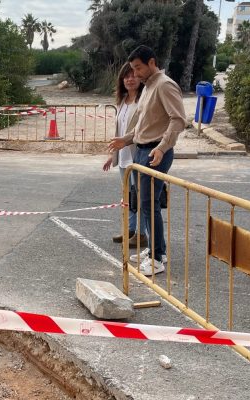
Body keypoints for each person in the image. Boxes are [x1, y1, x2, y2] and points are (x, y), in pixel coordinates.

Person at [108, 45, 186, 276]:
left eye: (138, 68)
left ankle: (157, 257)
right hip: (141, 150)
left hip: (155, 152)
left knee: (150, 204)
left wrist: (162, 147)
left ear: (152, 62)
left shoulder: (165, 85)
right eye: (133, 69)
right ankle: (153, 248)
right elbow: (143, 125)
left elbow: (178, 120)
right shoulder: (149, 87)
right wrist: (126, 139)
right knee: (142, 203)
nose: (136, 74)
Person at [102, 62, 146, 246]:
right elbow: (120, 131)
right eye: (126, 76)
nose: (130, 79)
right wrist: (113, 156)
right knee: (128, 197)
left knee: (140, 198)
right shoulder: (121, 102)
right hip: (123, 158)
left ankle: (141, 234)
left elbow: (142, 130)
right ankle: (130, 230)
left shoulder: (144, 101)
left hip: (138, 156)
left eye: (133, 75)